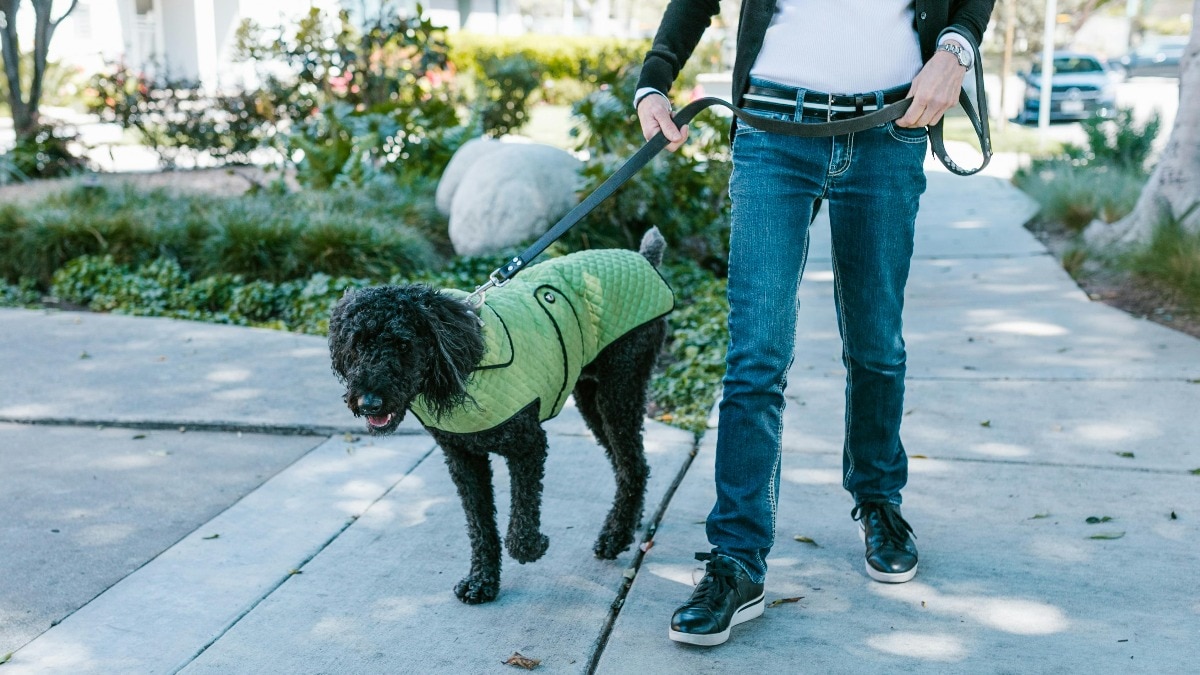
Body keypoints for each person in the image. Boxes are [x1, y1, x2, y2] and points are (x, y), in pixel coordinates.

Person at [634, 0, 996, 647]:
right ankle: (737, 558)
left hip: (890, 128)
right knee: (757, 356)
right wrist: (655, 78)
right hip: (774, 131)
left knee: (877, 344)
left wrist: (956, 49)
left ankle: (879, 500)